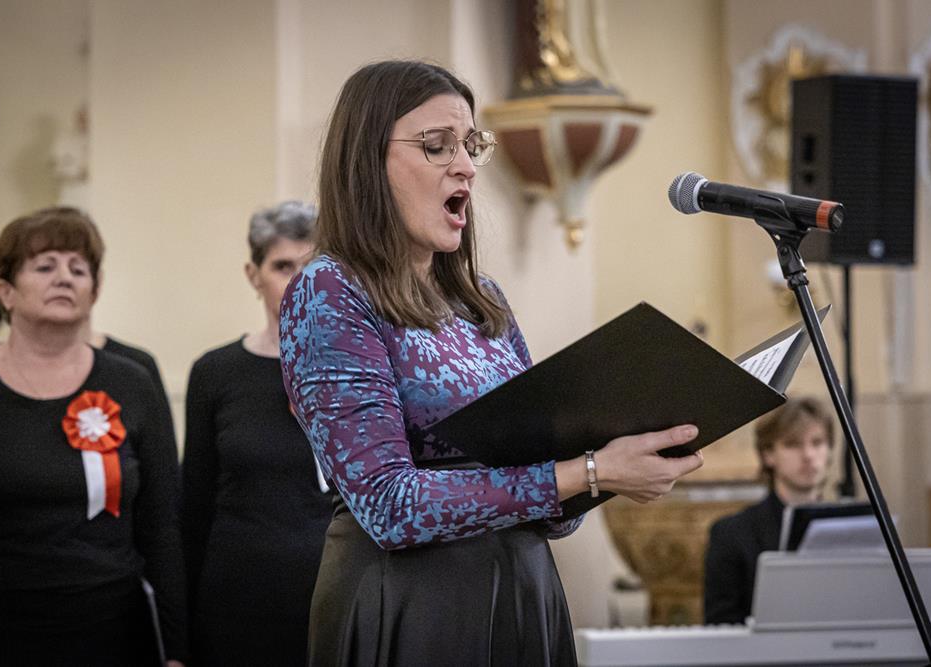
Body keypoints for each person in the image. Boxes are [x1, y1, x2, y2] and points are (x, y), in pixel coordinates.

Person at [278, 59, 704, 666]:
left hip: (521, 593)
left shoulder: (483, 299)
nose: (466, 166)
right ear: (367, 162)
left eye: (471, 144)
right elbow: (389, 505)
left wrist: (612, 461)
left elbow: (548, 500)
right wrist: (585, 472)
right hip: (412, 605)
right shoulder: (330, 291)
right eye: (436, 146)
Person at [0, 207, 187, 666]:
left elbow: (163, 527)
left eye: (79, 269)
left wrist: (176, 651)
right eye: (45, 266)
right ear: (5, 291)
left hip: (108, 630)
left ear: (94, 291)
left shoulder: (133, 383)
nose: (65, 277)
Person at [181, 200, 332, 665]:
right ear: (253, 274)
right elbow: (193, 505)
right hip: (238, 602)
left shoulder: (357, 367)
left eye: (311, 267)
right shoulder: (216, 372)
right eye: (282, 265)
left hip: (335, 592)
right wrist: (179, 635)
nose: (297, 280)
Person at [703, 396, 835, 625]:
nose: (808, 455)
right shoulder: (731, 534)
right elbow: (720, 625)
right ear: (768, 455)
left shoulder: (849, 527)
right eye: (793, 444)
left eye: (818, 442)